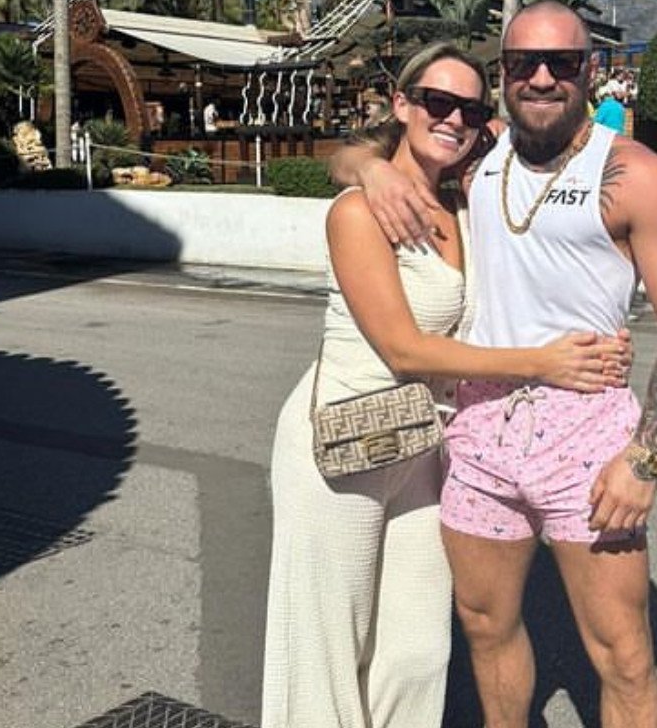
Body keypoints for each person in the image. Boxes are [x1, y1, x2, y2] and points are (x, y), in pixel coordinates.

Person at [330, 0, 657, 728]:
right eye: (521, 64)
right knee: (485, 626)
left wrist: (644, 461)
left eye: (560, 63)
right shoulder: (478, 155)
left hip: (588, 433)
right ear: (503, 74)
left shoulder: (636, 175)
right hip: (479, 428)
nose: (541, 78)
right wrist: (369, 171)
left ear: (590, 71)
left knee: (622, 656)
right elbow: (356, 152)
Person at [260, 42, 631, 728]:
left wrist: (601, 326)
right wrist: (543, 363)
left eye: (470, 108)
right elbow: (405, 349)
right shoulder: (358, 212)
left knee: (418, 651)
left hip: (427, 446)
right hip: (346, 440)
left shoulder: (464, 202)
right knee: (328, 647)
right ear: (402, 105)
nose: (454, 118)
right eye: (437, 101)